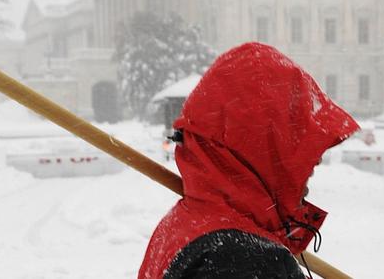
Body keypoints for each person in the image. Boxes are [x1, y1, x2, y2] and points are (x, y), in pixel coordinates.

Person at [139, 43, 360, 279]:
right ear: (264, 150)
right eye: (297, 142)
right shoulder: (246, 262)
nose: (315, 161)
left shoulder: (186, 225)